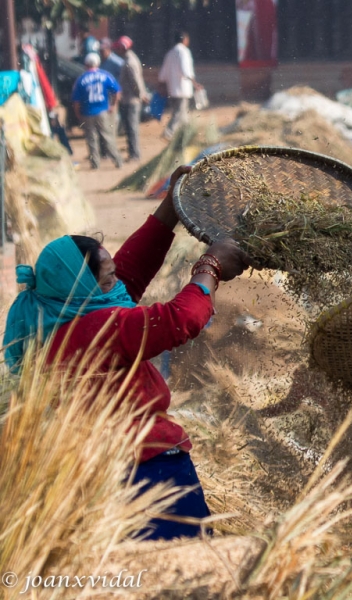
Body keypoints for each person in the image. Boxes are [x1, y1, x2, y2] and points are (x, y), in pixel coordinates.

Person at [3, 167, 253, 540]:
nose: (117, 282)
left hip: (102, 470)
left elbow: (128, 278)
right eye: (107, 279)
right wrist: (210, 267)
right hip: (146, 468)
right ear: (84, 288)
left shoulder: (53, 316)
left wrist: (170, 207)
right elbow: (181, 318)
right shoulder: (98, 329)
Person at [71, 52, 123, 169]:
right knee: (107, 137)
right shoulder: (105, 75)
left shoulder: (81, 79)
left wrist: (78, 115)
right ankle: (117, 160)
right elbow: (117, 91)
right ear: (98, 63)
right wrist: (113, 105)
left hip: (87, 113)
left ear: (86, 64)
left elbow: (76, 102)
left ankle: (95, 163)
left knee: (91, 139)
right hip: (102, 112)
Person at [159, 31, 202, 141]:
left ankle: (187, 135)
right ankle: (169, 132)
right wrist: (195, 83)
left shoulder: (170, 53)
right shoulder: (183, 52)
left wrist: (163, 86)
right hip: (182, 89)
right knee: (179, 113)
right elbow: (186, 71)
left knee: (182, 114)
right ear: (184, 40)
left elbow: (162, 74)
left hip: (172, 89)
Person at [116, 36, 148, 162]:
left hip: (131, 100)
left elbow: (135, 81)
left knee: (132, 128)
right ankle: (132, 153)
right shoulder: (128, 59)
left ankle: (135, 154)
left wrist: (141, 95)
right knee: (129, 128)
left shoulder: (130, 62)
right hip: (129, 99)